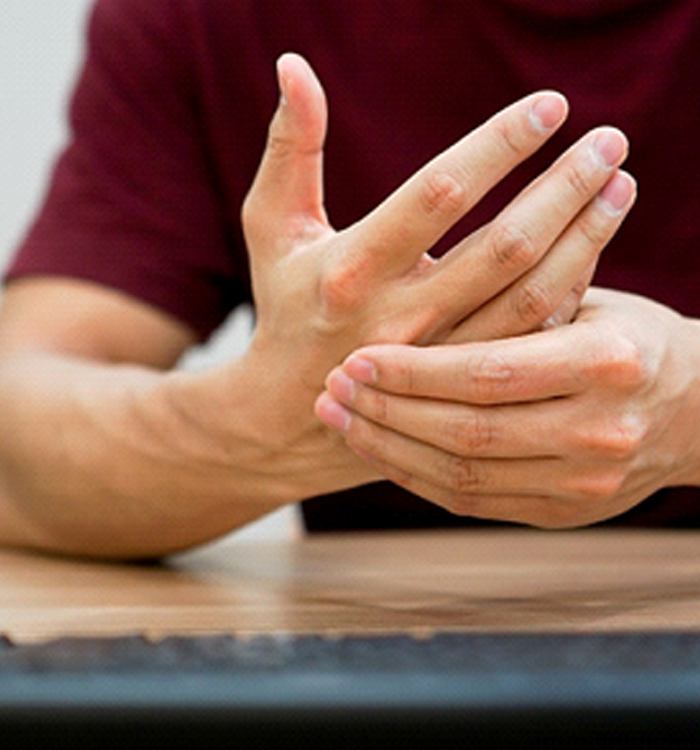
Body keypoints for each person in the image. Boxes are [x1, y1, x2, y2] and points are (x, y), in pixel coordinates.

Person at [0, 0, 697, 559]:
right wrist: (262, 424)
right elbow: (17, 428)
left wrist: (687, 412)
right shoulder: (203, 17)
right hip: (374, 661)